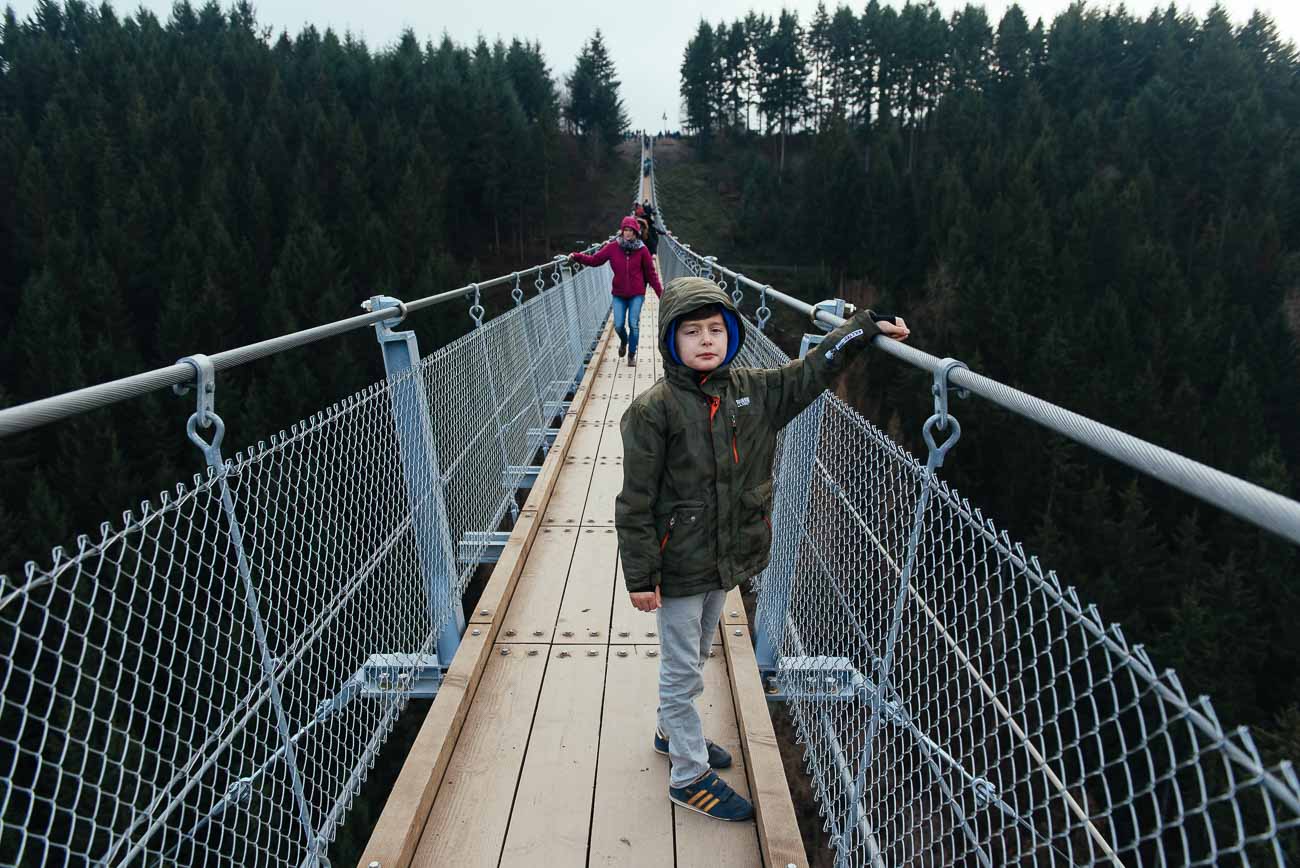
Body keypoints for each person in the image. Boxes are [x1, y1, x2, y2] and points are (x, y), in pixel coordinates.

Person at [615, 276, 910, 822]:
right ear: (669, 342)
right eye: (692, 332)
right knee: (682, 670)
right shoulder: (653, 412)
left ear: (732, 334)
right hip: (677, 566)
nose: (706, 341)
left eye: (716, 330)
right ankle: (687, 774)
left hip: (724, 560)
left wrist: (862, 328)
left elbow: (810, 373)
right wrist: (640, 576)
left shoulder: (754, 393)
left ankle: (669, 730)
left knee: (701, 652)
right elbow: (634, 502)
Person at [569, 216, 662, 366]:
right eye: (625, 230)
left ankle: (631, 355)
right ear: (621, 231)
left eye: (631, 231)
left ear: (636, 233)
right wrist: (577, 257)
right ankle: (624, 342)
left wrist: (662, 296)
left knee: (634, 324)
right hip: (619, 294)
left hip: (637, 294)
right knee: (618, 325)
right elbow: (595, 260)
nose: (627, 233)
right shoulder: (613, 247)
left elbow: (651, 275)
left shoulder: (642, 250)